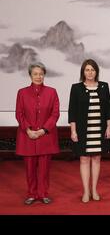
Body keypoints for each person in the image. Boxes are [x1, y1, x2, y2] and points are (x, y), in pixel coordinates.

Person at [68, 59, 110, 203]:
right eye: (87, 70)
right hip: (82, 130)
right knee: (84, 159)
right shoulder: (76, 88)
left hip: (98, 129)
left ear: (96, 72)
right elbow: (72, 111)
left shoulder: (104, 87)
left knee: (96, 159)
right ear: (83, 72)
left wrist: (109, 127)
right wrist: (73, 131)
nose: (90, 72)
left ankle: (94, 190)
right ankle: (86, 191)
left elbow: (108, 109)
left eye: (92, 70)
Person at [15, 62, 60, 205]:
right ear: (30, 75)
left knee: (44, 169)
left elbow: (55, 114)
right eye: (35, 74)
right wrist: (28, 130)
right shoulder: (22, 93)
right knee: (29, 169)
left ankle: (43, 194)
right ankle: (31, 194)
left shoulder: (52, 92)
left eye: (41, 74)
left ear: (44, 75)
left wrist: (42, 130)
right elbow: (19, 114)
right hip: (27, 136)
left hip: (46, 136)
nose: (38, 76)